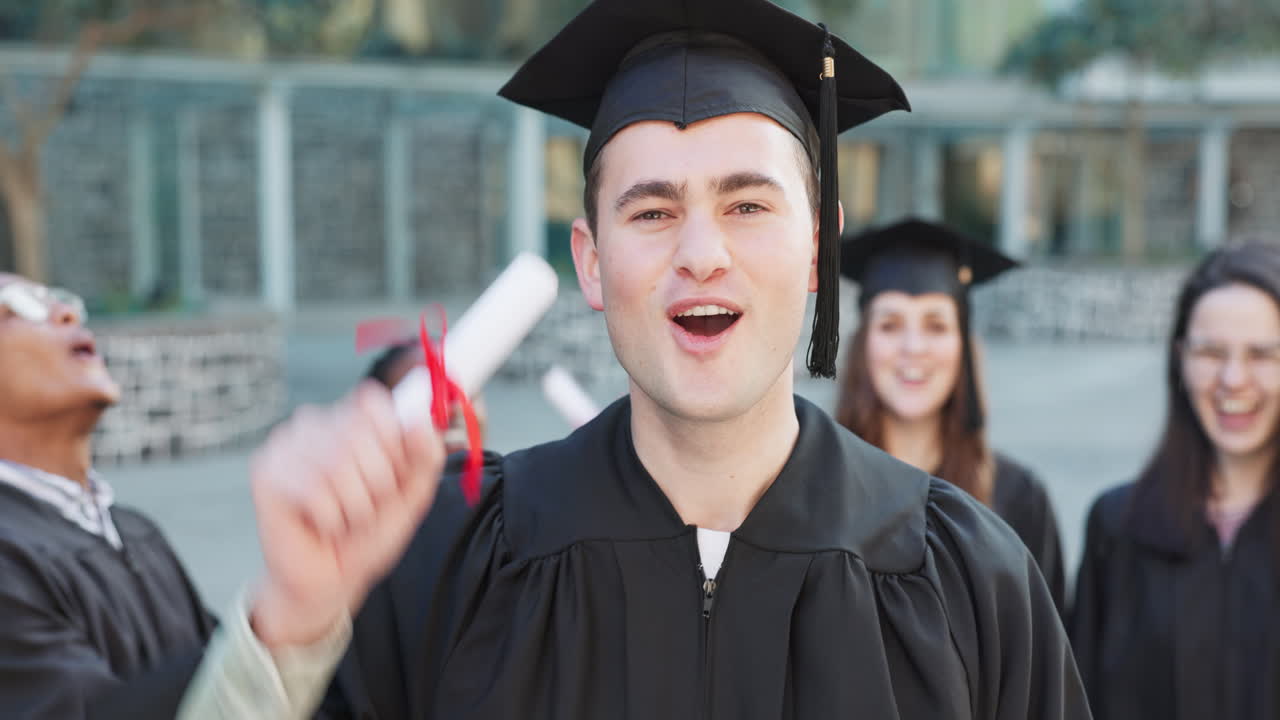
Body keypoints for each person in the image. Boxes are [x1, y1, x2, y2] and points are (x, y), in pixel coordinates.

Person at [178, 0, 1089, 717]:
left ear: (820, 249)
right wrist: (292, 622)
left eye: (747, 205)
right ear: (590, 262)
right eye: (651, 212)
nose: (701, 251)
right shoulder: (449, 561)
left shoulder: (967, 578)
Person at [1071, 242, 1280, 719]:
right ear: (1181, 360)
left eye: (1263, 355)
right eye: (1211, 352)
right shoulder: (1117, 530)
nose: (1233, 379)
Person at [0, 273, 216, 718]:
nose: (67, 314)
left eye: (62, 301)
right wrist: (279, 628)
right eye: (17, 308)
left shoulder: (135, 531)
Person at [835, 218, 1066, 612]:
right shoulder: (820, 490)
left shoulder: (1018, 499)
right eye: (890, 325)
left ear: (963, 346)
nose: (913, 347)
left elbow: (1047, 661)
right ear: (863, 344)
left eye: (936, 325)